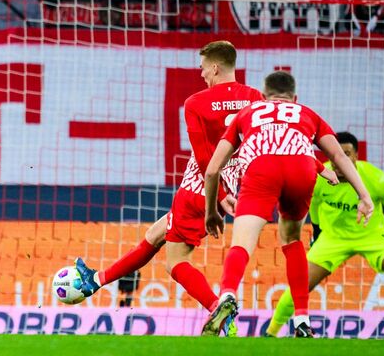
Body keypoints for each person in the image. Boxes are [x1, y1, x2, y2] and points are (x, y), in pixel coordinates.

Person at [74, 41, 262, 333]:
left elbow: (204, 159)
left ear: (215, 67)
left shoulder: (196, 102)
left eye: (203, 68)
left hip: (199, 190)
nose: (201, 74)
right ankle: (95, 281)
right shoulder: (255, 98)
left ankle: (220, 311)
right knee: (155, 234)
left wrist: (217, 198)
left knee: (175, 263)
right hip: (228, 187)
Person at [202, 71, 374, 338]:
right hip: (302, 169)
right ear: (294, 98)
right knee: (292, 240)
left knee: (242, 243)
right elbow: (339, 155)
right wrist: (364, 195)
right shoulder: (307, 113)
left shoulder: (247, 113)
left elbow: (213, 170)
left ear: (263, 97)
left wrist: (211, 211)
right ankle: (302, 320)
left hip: (261, 168)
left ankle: (227, 295)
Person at [264, 132, 384, 340]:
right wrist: (317, 233)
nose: (338, 160)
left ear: (356, 155)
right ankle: (270, 334)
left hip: (372, 235)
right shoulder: (319, 176)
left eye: (346, 154)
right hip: (333, 238)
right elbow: (315, 204)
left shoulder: (376, 179)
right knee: (301, 283)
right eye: (334, 154)